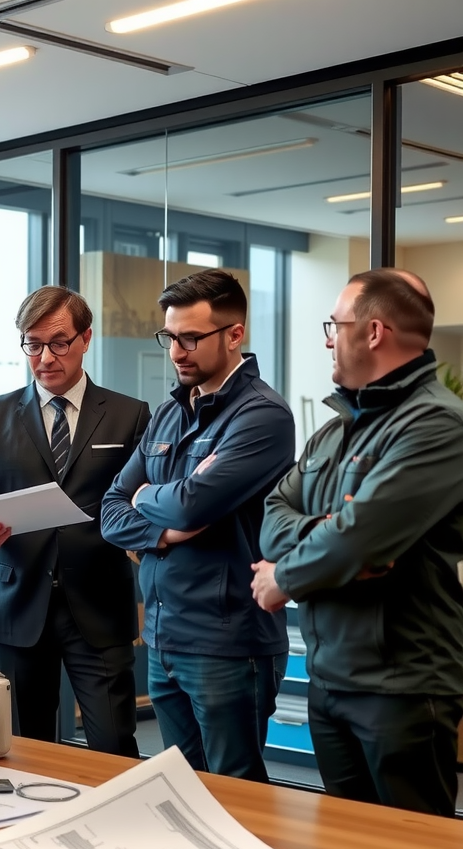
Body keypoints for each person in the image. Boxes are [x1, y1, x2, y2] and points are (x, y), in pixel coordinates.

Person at [252, 268, 463, 817]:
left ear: (372, 332)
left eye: (335, 324)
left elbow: (360, 540)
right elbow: (273, 516)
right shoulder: (334, 429)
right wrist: (333, 527)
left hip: (401, 687)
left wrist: (283, 579)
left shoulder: (438, 425)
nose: (328, 338)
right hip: (331, 678)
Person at [101, 269, 295, 782]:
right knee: (182, 792)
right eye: (170, 337)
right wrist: (160, 530)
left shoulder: (262, 417)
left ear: (235, 335)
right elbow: (112, 510)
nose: (177, 351)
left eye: (191, 338)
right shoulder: (168, 413)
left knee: (237, 795)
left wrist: (150, 497)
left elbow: (190, 505)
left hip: (228, 642)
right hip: (163, 638)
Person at [0, 286, 151, 756]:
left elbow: (141, 501)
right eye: (32, 344)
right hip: (15, 603)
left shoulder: (129, 415)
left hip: (98, 604)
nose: (44, 357)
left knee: (114, 744)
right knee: (19, 748)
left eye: (58, 343)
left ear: (85, 339)